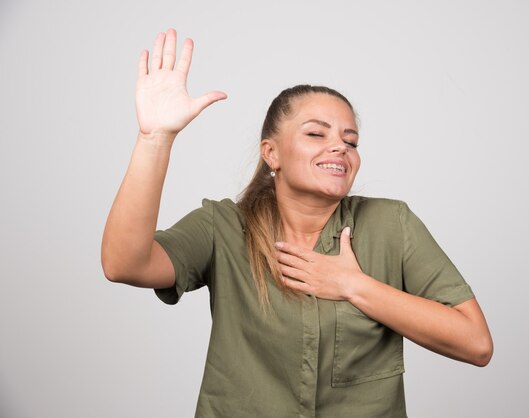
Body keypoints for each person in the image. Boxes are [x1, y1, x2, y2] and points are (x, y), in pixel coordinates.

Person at [101, 28, 493, 418]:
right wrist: (154, 139)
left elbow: (476, 343)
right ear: (272, 154)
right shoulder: (223, 228)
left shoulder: (393, 224)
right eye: (315, 134)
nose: (340, 146)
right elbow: (124, 264)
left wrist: (354, 286)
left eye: (350, 140)